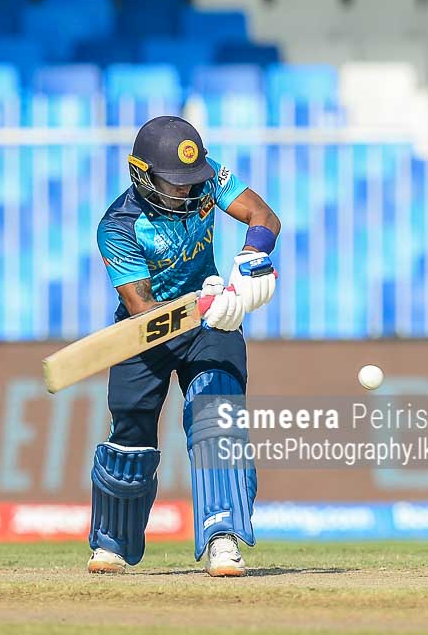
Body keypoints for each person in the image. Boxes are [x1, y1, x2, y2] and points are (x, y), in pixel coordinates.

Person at [89, 116, 279, 577]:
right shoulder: (118, 226)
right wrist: (206, 305)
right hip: (148, 330)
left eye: (190, 179)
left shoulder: (206, 179)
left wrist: (252, 258)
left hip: (210, 320)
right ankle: (112, 542)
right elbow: (142, 309)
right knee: (130, 431)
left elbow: (264, 216)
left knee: (217, 418)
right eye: (174, 181)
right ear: (143, 175)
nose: (186, 189)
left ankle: (223, 539)